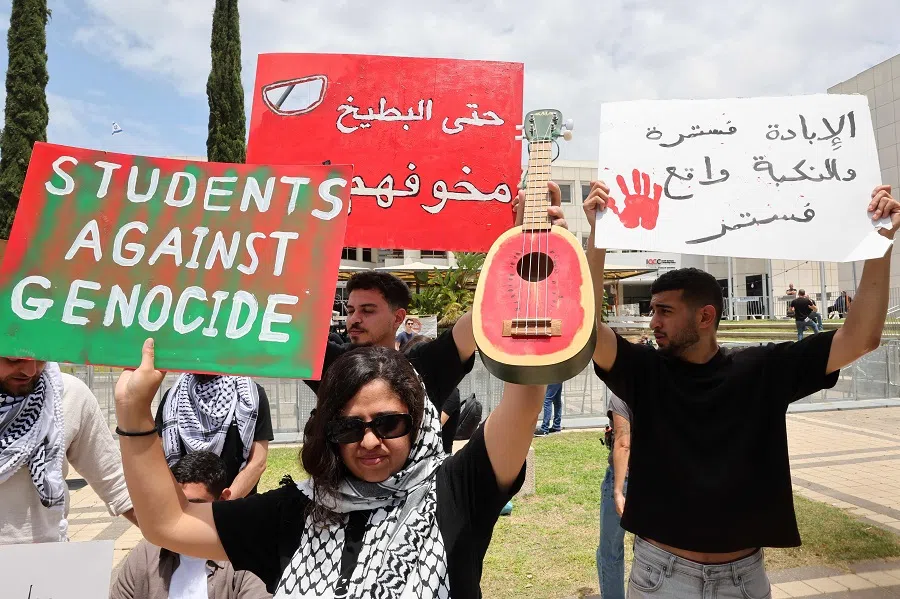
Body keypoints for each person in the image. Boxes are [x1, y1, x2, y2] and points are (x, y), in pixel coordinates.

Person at [582, 179, 899, 598]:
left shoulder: (762, 368)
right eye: (652, 310)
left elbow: (860, 338)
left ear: (705, 316)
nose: (653, 322)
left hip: (743, 580)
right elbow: (584, 327)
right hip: (661, 576)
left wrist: (881, 242)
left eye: (665, 311)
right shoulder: (644, 370)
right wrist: (598, 236)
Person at [113, 339, 545, 598]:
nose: (371, 441)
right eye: (349, 427)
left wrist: (534, 264)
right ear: (328, 433)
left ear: (416, 422)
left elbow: (524, 401)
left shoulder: (456, 489)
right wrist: (134, 411)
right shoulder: (293, 512)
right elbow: (169, 523)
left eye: (389, 424)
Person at [306, 190, 566, 420]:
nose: (354, 319)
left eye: (367, 310)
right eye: (350, 310)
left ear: (398, 318)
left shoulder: (424, 366)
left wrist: (522, 245)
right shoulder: (330, 363)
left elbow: (488, 311)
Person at [0, 357, 136, 543]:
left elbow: (117, 487)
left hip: (50, 563)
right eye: (14, 359)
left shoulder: (67, 393)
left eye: (41, 358)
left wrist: (178, 546)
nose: (31, 371)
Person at [109, 451, 271, 599]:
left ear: (223, 500)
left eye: (193, 506)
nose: (181, 517)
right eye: (174, 505)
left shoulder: (248, 559)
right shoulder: (145, 555)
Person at [155, 373, 273, 498]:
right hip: (184, 509)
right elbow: (158, 458)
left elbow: (257, 462)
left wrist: (223, 506)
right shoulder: (173, 398)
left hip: (236, 506)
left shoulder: (251, 396)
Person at [597, 393, 631, 599]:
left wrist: (617, 490)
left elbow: (623, 443)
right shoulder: (664, 384)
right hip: (656, 479)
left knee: (610, 552)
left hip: (624, 479)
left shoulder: (622, 395)